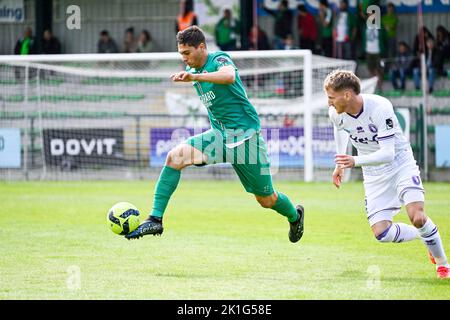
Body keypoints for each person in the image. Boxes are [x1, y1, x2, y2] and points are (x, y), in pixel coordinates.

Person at [125, 26, 304, 243]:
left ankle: (295, 217)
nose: (184, 59)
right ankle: (155, 219)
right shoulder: (196, 73)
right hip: (219, 136)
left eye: (187, 53)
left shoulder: (219, 59)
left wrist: (195, 77)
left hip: (245, 138)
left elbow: (228, 76)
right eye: (181, 54)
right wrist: (195, 76)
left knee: (266, 200)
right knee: (174, 157)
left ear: (201, 47)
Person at [324, 69, 450, 279]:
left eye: (331, 97)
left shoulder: (380, 107)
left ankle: (442, 264)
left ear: (346, 95)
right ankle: (425, 236)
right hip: (373, 174)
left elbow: (388, 153)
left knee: (417, 217)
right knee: (381, 233)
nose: (328, 103)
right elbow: (339, 128)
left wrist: (354, 161)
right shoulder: (335, 112)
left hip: (400, 164)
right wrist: (340, 162)